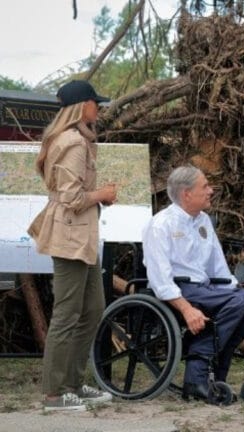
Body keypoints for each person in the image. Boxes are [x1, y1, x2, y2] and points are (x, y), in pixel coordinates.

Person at [27, 80, 117, 411]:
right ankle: (54, 394)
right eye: (96, 102)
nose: (99, 108)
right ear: (82, 106)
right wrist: (102, 195)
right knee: (67, 315)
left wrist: (97, 198)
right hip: (69, 237)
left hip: (81, 237)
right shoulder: (73, 144)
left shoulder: (77, 140)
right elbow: (71, 197)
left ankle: (73, 385)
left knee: (92, 309)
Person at [142, 166, 244, 402]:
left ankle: (216, 376)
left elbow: (218, 267)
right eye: (204, 186)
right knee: (241, 301)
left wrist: (235, 289)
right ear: (186, 194)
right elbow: (159, 279)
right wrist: (186, 309)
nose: (211, 191)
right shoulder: (160, 224)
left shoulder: (203, 220)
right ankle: (196, 377)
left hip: (206, 288)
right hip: (178, 291)